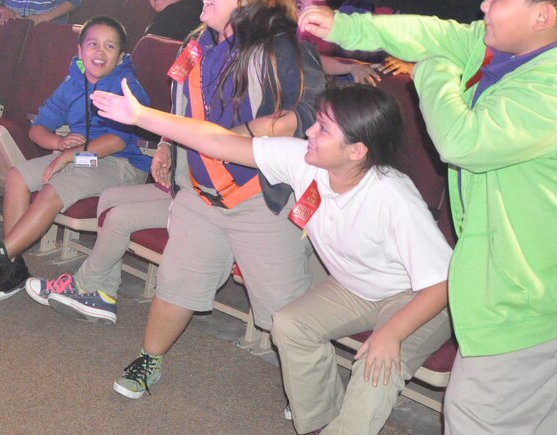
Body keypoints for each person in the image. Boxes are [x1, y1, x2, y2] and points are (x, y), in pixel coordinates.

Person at [297, 0, 557, 434]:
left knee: (474, 419)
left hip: (523, 299)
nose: (483, 5)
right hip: (515, 282)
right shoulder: (505, 50)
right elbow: (430, 27)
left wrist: (432, 66)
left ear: (542, 15)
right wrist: (347, 24)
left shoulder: (544, 88)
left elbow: (461, 140)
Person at [94, 82, 452, 433]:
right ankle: (322, 419)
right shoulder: (304, 160)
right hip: (357, 288)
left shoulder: (393, 197)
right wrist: (142, 116)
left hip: (420, 298)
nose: (309, 129)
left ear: (356, 150)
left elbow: (442, 284)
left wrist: (391, 333)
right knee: (291, 325)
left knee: (376, 367)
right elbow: (219, 141)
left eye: (323, 128)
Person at [99, 0, 326, 399]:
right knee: (176, 285)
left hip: (261, 198)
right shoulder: (197, 44)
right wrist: (167, 143)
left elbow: (310, 111)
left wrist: (238, 137)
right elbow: (186, 110)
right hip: (199, 195)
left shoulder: (283, 45)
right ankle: (150, 358)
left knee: (287, 314)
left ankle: (317, 403)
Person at [0, 16, 151, 301]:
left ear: (121, 56)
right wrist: (58, 143)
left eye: (110, 47)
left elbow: (118, 140)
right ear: (81, 50)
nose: (100, 52)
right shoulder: (73, 82)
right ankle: (13, 269)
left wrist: (68, 155)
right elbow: (38, 128)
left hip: (121, 163)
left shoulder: (125, 86)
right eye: (93, 44)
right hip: (81, 159)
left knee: (52, 190)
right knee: (17, 176)